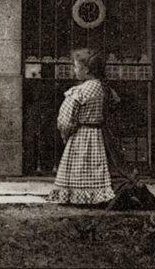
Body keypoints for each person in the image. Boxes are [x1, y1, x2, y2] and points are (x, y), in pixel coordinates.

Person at [46, 49, 115, 206]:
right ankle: (96, 196)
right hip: (99, 135)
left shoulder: (80, 91)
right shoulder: (104, 89)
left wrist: (65, 134)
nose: (74, 70)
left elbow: (65, 120)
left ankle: (77, 197)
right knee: (96, 166)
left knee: (79, 166)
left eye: (76, 67)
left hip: (81, 135)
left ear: (86, 70)